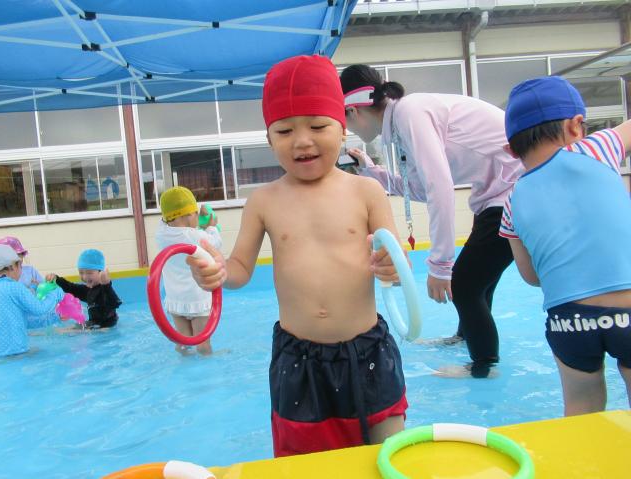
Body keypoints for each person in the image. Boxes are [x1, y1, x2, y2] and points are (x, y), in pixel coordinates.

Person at [187, 55, 407, 457]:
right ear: (269, 139)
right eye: (285, 130)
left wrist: (393, 266)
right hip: (298, 360)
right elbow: (239, 269)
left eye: (318, 126)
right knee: (305, 463)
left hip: (368, 352)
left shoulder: (366, 192)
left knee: (388, 453)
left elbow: (395, 258)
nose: (302, 141)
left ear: (342, 128)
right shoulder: (264, 201)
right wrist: (217, 271)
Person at [340, 64, 525, 378]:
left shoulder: (410, 113)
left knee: (465, 284)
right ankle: (466, 338)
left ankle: (484, 367)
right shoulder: (401, 124)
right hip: (496, 194)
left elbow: (440, 187)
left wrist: (440, 265)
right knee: (479, 281)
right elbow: (421, 190)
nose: (349, 130)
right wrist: (371, 170)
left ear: (353, 110)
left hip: (513, 191)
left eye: (344, 121)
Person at [499, 76, 631, 415]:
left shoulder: (512, 200)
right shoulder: (595, 149)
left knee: (581, 408)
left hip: (568, 320)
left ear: (511, 150)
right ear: (576, 126)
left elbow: (531, 275)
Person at [156, 186, 222, 355]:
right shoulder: (194, 237)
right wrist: (211, 227)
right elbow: (215, 244)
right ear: (187, 215)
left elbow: (170, 219)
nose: (198, 217)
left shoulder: (161, 234)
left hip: (175, 300)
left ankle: (183, 360)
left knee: (183, 342)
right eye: (195, 213)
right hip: (197, 299)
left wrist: (191, 219)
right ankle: (207, 362)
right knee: (202, 342)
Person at [0, 244, 63, 358]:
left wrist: (56, 317)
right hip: (17, 352)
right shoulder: (15, 287)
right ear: (11, 266)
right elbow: (40, 309)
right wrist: (55, 293)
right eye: (20, 265)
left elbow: (22, 321)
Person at [46, 249, 121, 329]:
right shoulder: (88, 291)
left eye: (89, 273)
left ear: (100, 272)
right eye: (81, 273)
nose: (85, 277)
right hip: (95, 325)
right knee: (72, 328)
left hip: (105, 326)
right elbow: (71, 288)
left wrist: (106, 284)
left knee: (67, 330)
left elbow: (115, 303)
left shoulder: (104, 290)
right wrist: (56, 279)